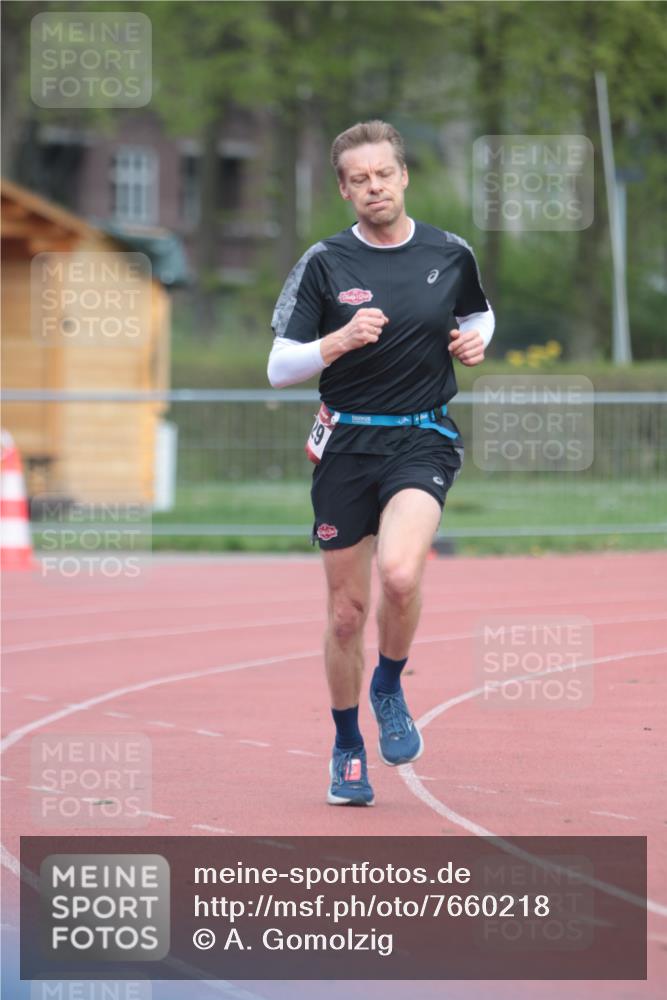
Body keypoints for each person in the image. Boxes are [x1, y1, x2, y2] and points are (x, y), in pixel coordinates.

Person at [268, 120, 494, 806]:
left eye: (383, 174)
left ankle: (389, 685)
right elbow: (279, 367)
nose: (374, 187)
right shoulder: (325, 262)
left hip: (421, 438)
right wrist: (335, 340)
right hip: (346, 446)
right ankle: (345, 746)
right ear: (344, 188)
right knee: (345, 613)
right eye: (359, 179)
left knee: (399, 574)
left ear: (403, 177)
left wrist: (474, 343)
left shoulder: (448, 251)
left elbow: (478, 315)